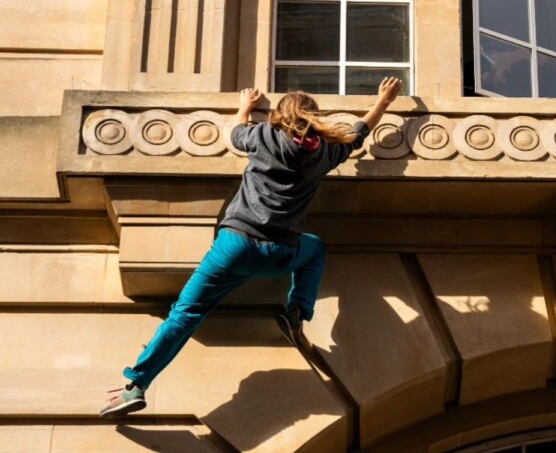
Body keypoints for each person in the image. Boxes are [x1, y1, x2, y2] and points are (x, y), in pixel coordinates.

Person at [100, 77, 403, 418]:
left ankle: (136, 386)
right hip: (281, 255)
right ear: (312, 118)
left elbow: (235, 133)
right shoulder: (327, 154)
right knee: (315, 249)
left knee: (184, 315)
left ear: (280, 115)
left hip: (235, 248)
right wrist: (384, 101)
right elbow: (359, 132)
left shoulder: (263, 137)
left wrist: (245, 105)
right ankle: (297, 311)